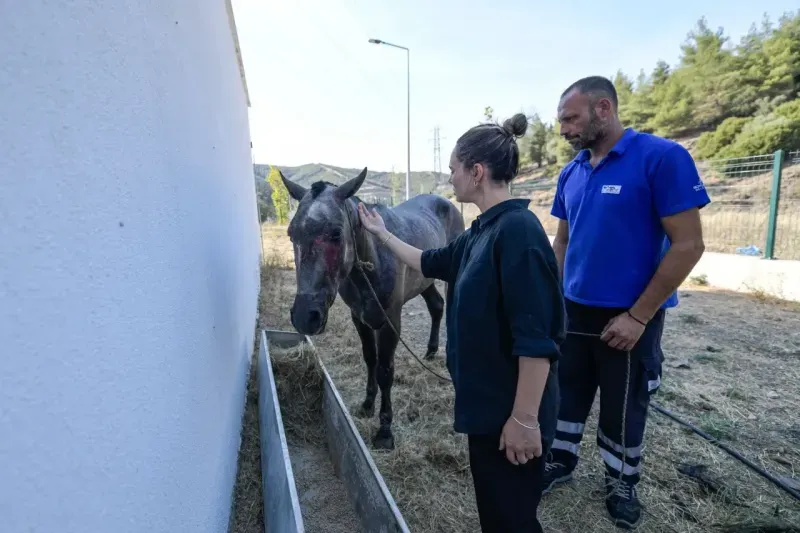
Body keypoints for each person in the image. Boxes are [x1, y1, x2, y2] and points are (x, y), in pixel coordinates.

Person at [358, 113, 565, 533]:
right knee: (496, 512)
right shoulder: (480, 233)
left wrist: (524, 421)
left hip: (512, 411)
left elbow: (536, 340)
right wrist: (380, 233)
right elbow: (427, 260)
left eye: (453, 169)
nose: (449, 178)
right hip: (488, 408)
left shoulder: (519, 234)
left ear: (477, 172)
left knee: (512, 519)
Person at [542, 76, 710, 529]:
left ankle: (621, 480)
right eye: (561, 121)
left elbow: (688, 245)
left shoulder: (662, 158)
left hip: (632, 314)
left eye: (570, 119)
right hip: (574, 310)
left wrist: (638, 316)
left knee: (624, 403)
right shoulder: (572, 171)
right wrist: (553, 299)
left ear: (603, 109)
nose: (563, 130)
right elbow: (562, 241)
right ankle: (560, 459)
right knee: (568, 391)